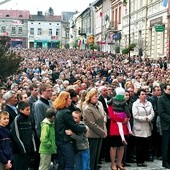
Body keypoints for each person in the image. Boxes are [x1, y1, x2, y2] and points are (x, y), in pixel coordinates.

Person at [53, 91, 87, 170]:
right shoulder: (66, 112)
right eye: (69, 98)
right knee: (70, 164)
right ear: (65, 100)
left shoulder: (58, 111)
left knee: (62, 163)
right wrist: (84, 128)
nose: (71, 100)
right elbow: (74, 126)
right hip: (65, 141)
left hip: (59, 140)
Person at [82, 88, 107, 170]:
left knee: (96, 157)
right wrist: (102, 132)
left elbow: (102, 119)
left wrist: (103, 131)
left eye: (97, 96)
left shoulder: (97, 106)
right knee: (92, 157)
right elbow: (92, 124)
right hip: (92, 135)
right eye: (95, 96)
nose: (97, 98)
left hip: (99, 135)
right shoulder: (87, 108)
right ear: (90, 97)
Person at [107, 88, 130, 170]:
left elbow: (127, 112)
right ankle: (113, 164)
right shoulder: (111, 104)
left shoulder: (124, 103)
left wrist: (127, 118)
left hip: (123, 127)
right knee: (114, 146)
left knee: (122, 146)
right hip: (115, 127)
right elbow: (112, 115)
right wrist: (122, 119)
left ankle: (119, 163)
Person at [10, 101, 37, 170]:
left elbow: (32, 134)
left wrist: (34, 149)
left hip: (28, 151)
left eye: (29, 109)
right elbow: (16, 135)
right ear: (21, 110)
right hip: (19, 152)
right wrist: (23, 149)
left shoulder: (30, 118)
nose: (29, 111)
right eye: (27, 110)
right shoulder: (17, 119)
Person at [132, 89, 154, 167]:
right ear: (138, 95)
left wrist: (148, 118)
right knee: (139, 145)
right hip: (139, 127)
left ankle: (143, 160)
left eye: (145, 94)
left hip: (147, 127)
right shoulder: (135, 104)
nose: (144, 95)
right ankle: (139, 161)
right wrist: (145, 118)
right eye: (142, 94)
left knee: (145, 145)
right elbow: (135, 115)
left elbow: (152, 113)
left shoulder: (149, 103)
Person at [158, 84, 170, 169]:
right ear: (165, 90)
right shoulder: (161, 99)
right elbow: (161, 113)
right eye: (169, 89)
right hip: (166, 125)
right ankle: (165, 162)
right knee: (166, 144)